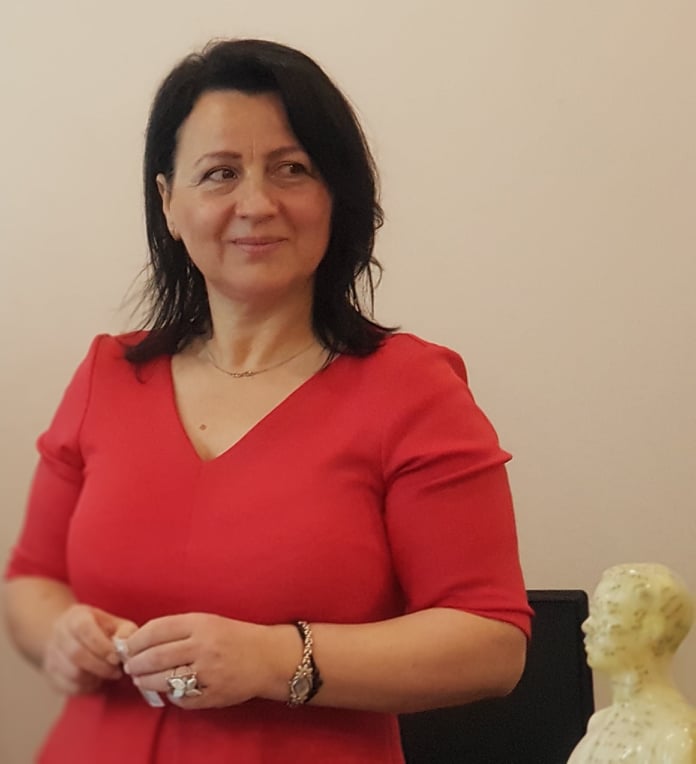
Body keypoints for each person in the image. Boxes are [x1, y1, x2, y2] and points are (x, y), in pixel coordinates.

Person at [3, 38, 532, 763]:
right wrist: (60, 638)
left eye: (292, 169)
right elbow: (32, 581)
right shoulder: (108, 373)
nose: (256, 203)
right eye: (220, 173)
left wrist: (273, 660)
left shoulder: (414, 390)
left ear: (335, 196)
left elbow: (491, 643)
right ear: (169, 202)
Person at [568, 563, 696, 763]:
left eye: (606, 612)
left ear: (653, 628)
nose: (587, 625)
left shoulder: (678, 737)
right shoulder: (598, 725)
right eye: (594, 612)